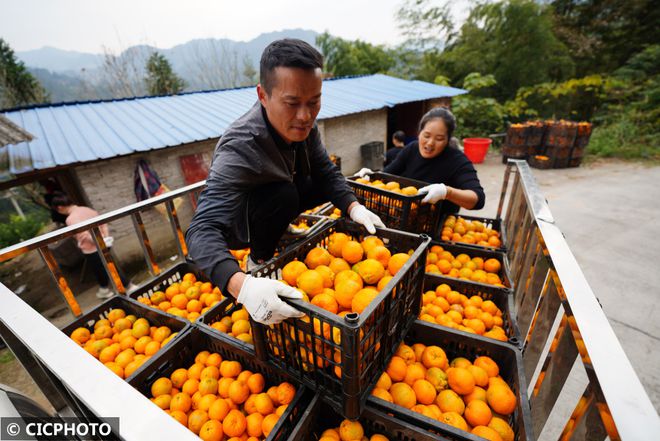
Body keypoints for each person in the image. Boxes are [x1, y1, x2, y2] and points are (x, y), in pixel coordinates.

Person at [185, 39, 384, 326]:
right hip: (248, 219)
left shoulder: (305, 127)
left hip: (280, 197)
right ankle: (258, 259)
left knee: (316, 180)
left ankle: (280, 228)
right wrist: (242, 285)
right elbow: (201, 229)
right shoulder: (240, 146)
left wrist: (354, 207)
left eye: (314, 102)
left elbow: (326, 172)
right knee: (283, 194)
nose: (305, 116)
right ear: (263, 95)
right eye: (292, 103)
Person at [357, 107, 485, 217]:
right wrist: (372, 176)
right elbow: (387, 175)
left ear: (448, 140)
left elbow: (478, 199)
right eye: (426, 135)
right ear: (419, 133)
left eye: (439, 138)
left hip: (438, 229)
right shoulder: (412, 149)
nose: (430, 143)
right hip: (404, 218)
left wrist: (447, 192)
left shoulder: (457, 161)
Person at [50, 193, 136, 298]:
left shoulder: (71, 219)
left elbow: (83, 236)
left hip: (92, 249)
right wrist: (105, 238)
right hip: (104, 243)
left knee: (107, 268)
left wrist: (99, 241)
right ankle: (105, 290)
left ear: (59, 207)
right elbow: (103, 223)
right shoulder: (87, 210)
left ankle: (128, 287)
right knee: (104, 268)